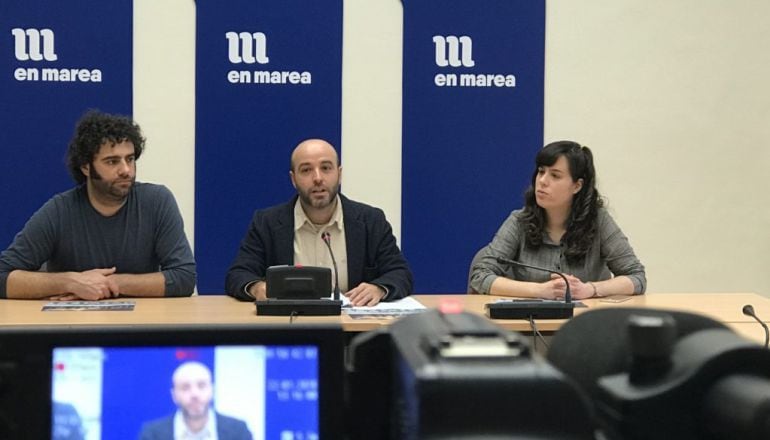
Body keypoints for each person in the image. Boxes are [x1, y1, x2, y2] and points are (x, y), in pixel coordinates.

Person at [0, 110, 196, 300]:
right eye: (112, 162)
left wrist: (109, 283)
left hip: (140, 326)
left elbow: (184, 277)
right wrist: (70, 282)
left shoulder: (157, 201)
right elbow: (2, 276)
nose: (126, 170)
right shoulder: (60, 210)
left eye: (130, 159)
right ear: (86, 167)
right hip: (72, 327)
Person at [226, 138, 413, 306]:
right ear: (293, 179)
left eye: (326, 168)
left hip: (350, 333)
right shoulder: (267, 222)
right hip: (289, 329)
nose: (317, 178)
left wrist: (378, 288)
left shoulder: (370, 221)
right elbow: (238, 274)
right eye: (306, 170)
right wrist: (257, 288)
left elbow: (400, 273)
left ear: (339, 174)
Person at [469, 140, 646, 299]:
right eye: (541, 172)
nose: (542, 181)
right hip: (529, 328)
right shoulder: (519, 221)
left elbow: (636, 277)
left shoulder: (598, 221)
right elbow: (480, 275)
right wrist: (540, 291)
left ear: (577, 186)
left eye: (555, 175)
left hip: (585, 327)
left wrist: (590, 289)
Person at [139, 361, 252, 440]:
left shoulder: (238, 431)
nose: (194, 394)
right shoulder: (152, 434)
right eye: (185, 387)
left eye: (201, 386)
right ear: (174, 395)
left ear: (212, 390)